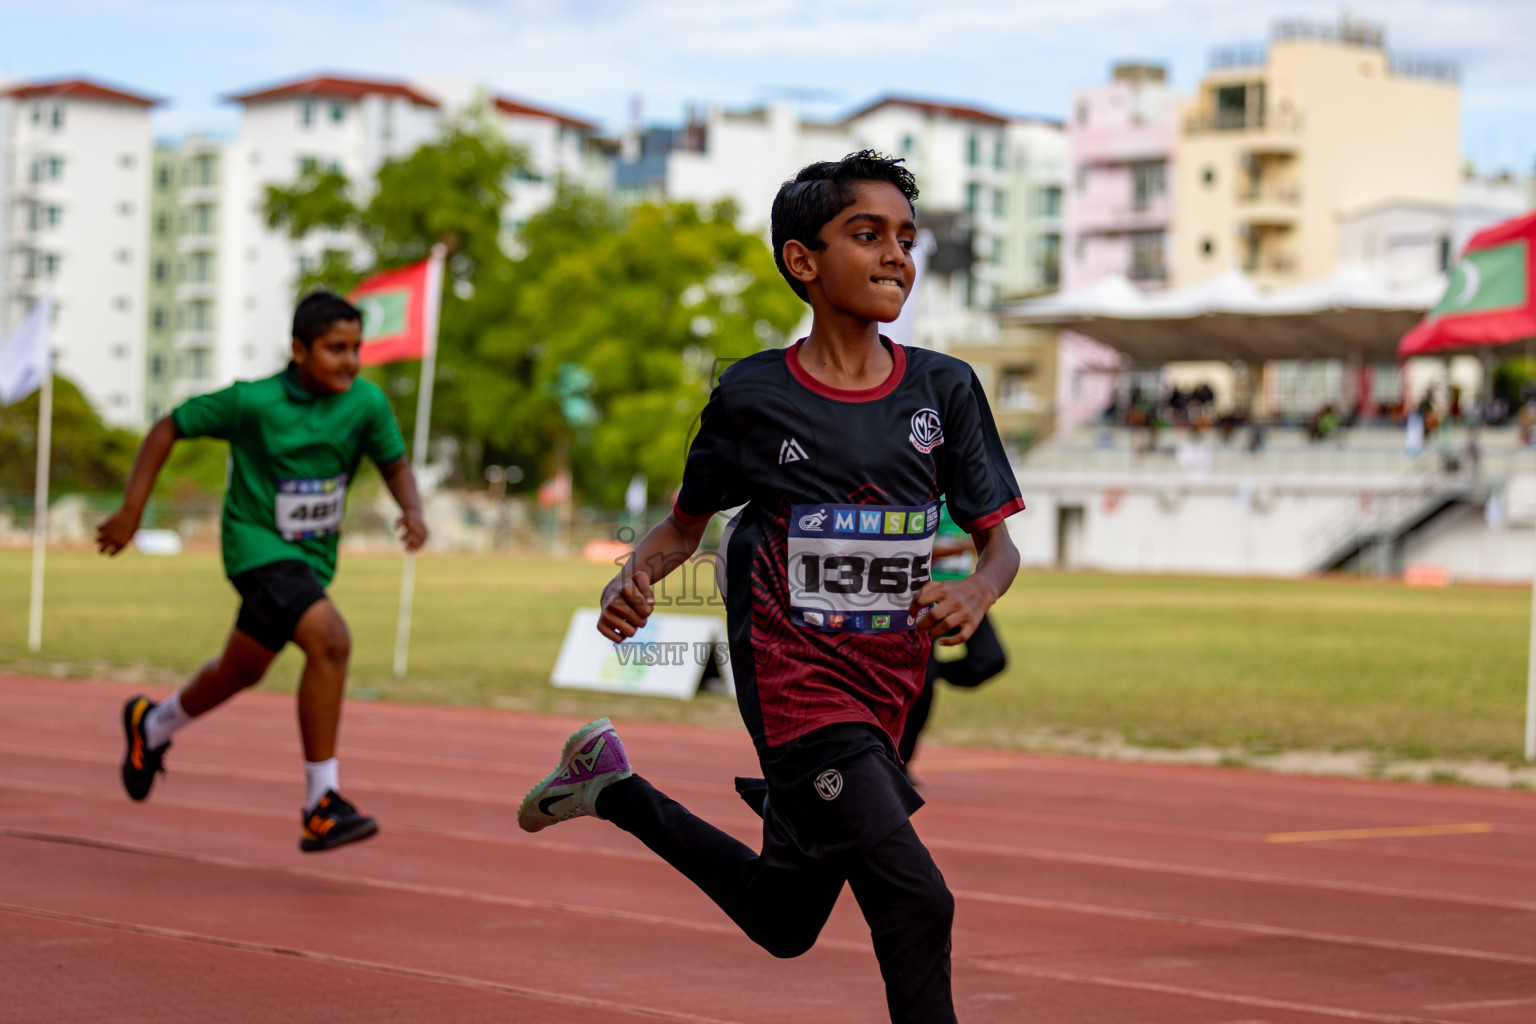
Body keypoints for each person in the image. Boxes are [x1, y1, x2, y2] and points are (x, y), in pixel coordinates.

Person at [516, 152, 1024, 1023]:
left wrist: (977, 592)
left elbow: (999, 547)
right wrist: (629, 585)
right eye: (867, 235)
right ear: (803, 261)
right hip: (798, 687)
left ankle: (613, 789)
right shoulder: (752, 393)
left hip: (889, 687)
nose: (896, 255)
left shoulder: (946, 387)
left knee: (783, 919)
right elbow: (686, 524)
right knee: (918, 900)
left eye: (907, 238)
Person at [97, 291, 428, 852]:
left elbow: (394, 463)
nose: (349, 360)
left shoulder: (366, 405)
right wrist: (132, 510)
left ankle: (151, 728)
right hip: (255, 549)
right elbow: (167, 427)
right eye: (334, 348)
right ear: (299, 349)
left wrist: (412, 509)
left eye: (356, 348)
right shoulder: (252, 403)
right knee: (330, 642)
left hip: (311, 562)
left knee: (239, 670)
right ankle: (320, 803)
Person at [896, 504, 1008, 774]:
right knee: (922, 694)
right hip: (926, 598)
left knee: (991, 659)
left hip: (963, 597)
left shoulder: (968, 498)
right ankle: (901, 765)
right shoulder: (925, 497)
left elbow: (994, 538)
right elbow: (913, 551)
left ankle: (933, 674)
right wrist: (964, 546)